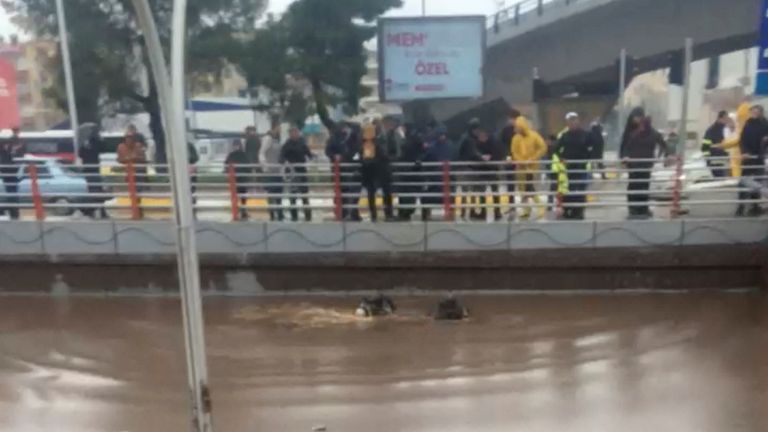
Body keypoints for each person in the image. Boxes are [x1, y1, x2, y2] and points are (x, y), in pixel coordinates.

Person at [619, 108, 667, 219]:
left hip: (646, 164)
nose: (636, 120)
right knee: (634, 186)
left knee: (644, 186)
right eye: (634, 118)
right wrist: (624, 157)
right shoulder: (630, 131)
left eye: (638, 118)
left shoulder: (651, 131)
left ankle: (643, 208)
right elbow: (624, 146)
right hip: (634, 164)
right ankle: (633, 209)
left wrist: (665, 155)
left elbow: (662, 143)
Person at [556, 113, 595, 220]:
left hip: (581, 168)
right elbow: (556, 149)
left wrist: (588, 157)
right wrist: (561, 158)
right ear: (567, 123)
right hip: (569, 168)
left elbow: (593, 147)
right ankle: (569, 210)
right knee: (569, 190)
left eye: (575, 120)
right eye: (570, 120)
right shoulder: (564, 136)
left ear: (578, 121)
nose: (573, 123)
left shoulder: (585, 135)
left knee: (580, 190)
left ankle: (579, 211)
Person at [511, 116, 547, 220]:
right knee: (522, 189)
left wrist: (533, 158)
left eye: (517, 127)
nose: (516, 129)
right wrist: (520, 161)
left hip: (532, 167)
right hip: (520, 168)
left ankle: (540, 207)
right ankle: (526, 209)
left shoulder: (534, 136)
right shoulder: (515, 138)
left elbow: (542, 147)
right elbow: (514, 152)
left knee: (531, 188)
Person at [736, 105, 768, 217]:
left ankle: (754, 206)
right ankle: (741, 206)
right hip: (747, 158)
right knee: (743, 183)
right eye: (752, 111)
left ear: (761, 113)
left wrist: (764, 146)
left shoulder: (765, 124)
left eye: (756, 111)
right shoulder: (748, 124)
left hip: (759, 158)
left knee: (758, 183)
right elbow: (742, 140)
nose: (753, 113)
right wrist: (744, 152)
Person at [325, 122, 362, 221]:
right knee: (342, 191)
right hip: (340, 169)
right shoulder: (335, 138)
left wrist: (352, 159)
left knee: (355, 191)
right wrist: (334, 156)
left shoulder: (357, 137)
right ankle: (343, 213)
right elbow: (328, 151)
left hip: (354, 168)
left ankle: (354, 213)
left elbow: (358, 151)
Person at [360, 123, 395, 222]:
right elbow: (385, 155)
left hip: (371, 172)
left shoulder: (366, 143)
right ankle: (387, 214)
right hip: (379, 171)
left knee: (374, 193)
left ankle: (375, 214)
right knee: (385, 193)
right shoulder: (374, 143)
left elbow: (364, 158)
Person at [422, 125, 456, 221]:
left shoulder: (433, 146)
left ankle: (428, 215)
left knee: (429, 197)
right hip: (441, 178)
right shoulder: (450, 145)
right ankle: (448, 215)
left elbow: (425, 158)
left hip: (439, 178)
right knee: (447, 196)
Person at [280, 126, 314, 222]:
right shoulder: (287, 145)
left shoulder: (302, 143)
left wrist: (312, 158)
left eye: (296, 132)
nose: (295, 134)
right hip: (292, 173)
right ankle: (294, 216)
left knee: (304, 195)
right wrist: (286, 162)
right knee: (293, 196)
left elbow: (309, 154)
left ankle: (308, 216)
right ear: (290, 134)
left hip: (302, 171)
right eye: (292, 132)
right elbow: (281, 157)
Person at [78, 124, 109, 219]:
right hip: (95, 169)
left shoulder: (85, 143)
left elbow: (80, 154)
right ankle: (94, 211)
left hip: (87, 169)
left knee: (93, 191)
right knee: (98, 191)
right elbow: (104, 149)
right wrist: (101, 139)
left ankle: (92, 211)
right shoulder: (96, 141)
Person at [396, 123, 426, 221]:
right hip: (411, 171)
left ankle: (405, 212)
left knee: (406, 193)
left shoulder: (409, 140)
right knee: (408, 193)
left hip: (408, 171)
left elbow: (404, 153)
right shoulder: (414, 139)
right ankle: (406, 211)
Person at [476, 129, 505, 221]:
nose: (481, 138)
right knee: (482, 193)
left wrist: (490, 158)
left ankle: (497, 212)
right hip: (483, 170)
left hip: (491, 169)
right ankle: (484, 212)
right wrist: (481, 157)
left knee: (494, 192)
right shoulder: (478, 144)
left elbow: (499, 154)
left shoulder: (493, 143)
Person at [458, 119, 485, 220]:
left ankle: (464, 212)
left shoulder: (464, 137)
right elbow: (473, 153)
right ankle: (470, 211)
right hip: (468, 168)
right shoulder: (470, 140)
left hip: (463, 167)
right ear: (474, 129)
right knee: (471, 191)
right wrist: (483, 158)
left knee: (466, 191)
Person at [259, 125, 285, 222]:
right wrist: (265, 166)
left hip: (278, 171)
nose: (279, 130)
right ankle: (272, 214)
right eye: (278, 128)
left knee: (279, 193)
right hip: (270, 171)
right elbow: (261, 153)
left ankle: (279, 213)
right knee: (271, 193)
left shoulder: (277, 140)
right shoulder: (267, 139)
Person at [499, 109, 522, 214]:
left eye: (511, 118)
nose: (510, 120)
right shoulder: (506, 130)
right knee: (510, 184)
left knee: (525, 184)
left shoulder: (522, 130)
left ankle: (527, 206)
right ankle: (512, 205)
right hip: (510, 159)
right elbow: (502, 144)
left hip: (522, 159)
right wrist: (506, 155)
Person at [0, 127, 24, 219]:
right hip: (12, 170)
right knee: (12, 191)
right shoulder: (16, 143)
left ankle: (13, 211)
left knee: (11, 191)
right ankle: (14, 212)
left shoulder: (7, 145)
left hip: (8, 170)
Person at [225, 139, 251, 221]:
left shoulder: (231, 155)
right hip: (242, 178)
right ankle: (243, 210)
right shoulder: (244, 155)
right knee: (242, 195)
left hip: (235, 178)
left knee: (236, 195)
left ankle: (237, 211)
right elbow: (248, 166)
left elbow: (226, 165)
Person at [702, 111, 730, 178]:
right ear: (720, 118)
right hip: (715, 161)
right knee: (720, 180)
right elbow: (705, 147)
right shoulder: (711, 131)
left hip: (725, 160)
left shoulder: (726, 129)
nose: (726, 121)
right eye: (725, 119)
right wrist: (708, 159)